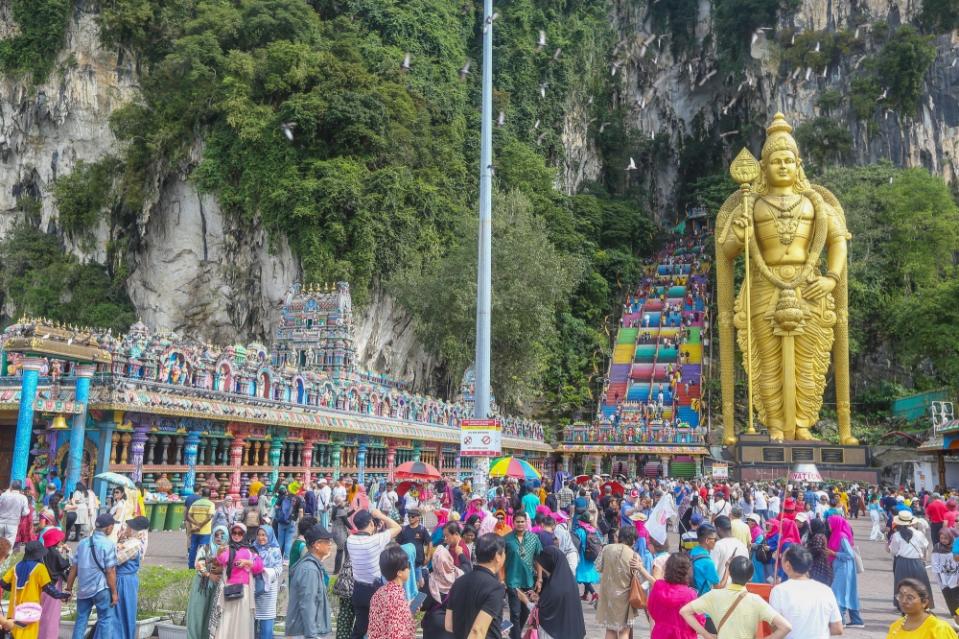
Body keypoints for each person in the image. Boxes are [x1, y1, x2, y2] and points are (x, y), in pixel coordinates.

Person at [682, 556, 792, 639]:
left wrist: (707, 635)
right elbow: (786, 627)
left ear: (729, 572)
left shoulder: (714, 595)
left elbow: (685, 612)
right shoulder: (756, 600)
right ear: (750, 577)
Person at [346, 509, 402, 639]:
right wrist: (381, 515)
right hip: (375, 590)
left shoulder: (350, 540)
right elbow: (397, 527)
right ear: (371, 523)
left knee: (360, 629)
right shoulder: (376, 540)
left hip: (358, 590)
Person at [770, 545, 844, 639]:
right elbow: (838, 628)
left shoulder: (779, 591)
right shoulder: (826, 590)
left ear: (787, 565)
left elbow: (775, 626)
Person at [65, 513, 119, 638]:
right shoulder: (108, 544)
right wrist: (114, 593)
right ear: (108, 528)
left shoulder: (83, 543)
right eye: (112, 527)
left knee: (81, 620)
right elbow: (110, 571)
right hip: (101, 589)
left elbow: (74, 568)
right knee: (105, 620)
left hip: (83, 589)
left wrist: (68, 588)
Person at [445, 533, 507, 639]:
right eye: (504, 552)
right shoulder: (495, 587)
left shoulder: (459, 582)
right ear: (497, 556)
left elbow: (449, 625)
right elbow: (477, 630)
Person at [3, 540, 68, 639]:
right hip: (30, 610)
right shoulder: (40, 568)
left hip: (14, 610)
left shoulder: (16, 566)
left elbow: (3, 583)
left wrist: (15, 588)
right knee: (29, 635)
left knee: (15, 635)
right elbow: (49, 589)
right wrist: (62, 595)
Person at [520, 545, 586, 639]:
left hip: (553, 633)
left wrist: (525, 599)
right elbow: (557, 605)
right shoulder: (569, 581)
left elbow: (540, 612)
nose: (543, 567)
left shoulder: (554, 586)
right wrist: (539, 599)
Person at [211, 523, 263, 639]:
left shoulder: (250, 550)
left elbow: (259, 567)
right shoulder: (227, 548)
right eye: (234, 533)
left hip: (244, 590)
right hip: (229, 588)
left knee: (242, 620)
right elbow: (221, 560)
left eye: (240, 533)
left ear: (244, 534)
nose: (237, 535)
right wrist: (219, 553)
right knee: (227, 620)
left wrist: (247, 563)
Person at [286, 524, 334, 639]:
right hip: (307, 632)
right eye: (327, 541)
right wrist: (311, 635)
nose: (330, 544)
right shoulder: (309, 570)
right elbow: (308, 604)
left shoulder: (311, 565)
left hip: (307, 630)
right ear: (317, 545)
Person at [503, 511, 543, 639]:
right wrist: (502, 579)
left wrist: (540, 579)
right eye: (517, 521)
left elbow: (538, 559)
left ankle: (514, 633)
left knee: (525, 612)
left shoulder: (534, 538)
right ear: (513, 522)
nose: (520, 524)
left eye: (522, 521)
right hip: (512, 581)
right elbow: (501, 560)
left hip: (529, 581)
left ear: (526, 523)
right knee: (515, 613)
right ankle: (515, 636)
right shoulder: (506, 539)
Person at [595, 525, 639, 639]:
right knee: (624, 631)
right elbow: (637, 577)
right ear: (633, 540)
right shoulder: (634, 555)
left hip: (608, 595)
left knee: (610, 629)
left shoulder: (607, 548)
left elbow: (598, 567)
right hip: (625, 597)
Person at [367, 543, 416, 639]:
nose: (410, 568)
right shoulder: (397, 597)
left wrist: (407, 608)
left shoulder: (380, 592)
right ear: (399, 573)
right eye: (408, 565)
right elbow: (396, 633)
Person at [186, 525, 227, 639]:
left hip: (217, 588)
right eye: (216, 535)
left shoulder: (228, 551)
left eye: (222, 535)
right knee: (197, 614)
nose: (219, 538)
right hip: (202, 585)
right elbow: (198, 564)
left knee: (210, 616)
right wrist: (209, 575)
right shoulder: (205, 548)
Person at [648, 553, 701, 639]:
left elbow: (652, 609)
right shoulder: (690, 594)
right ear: (687, 572)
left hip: (660, 633)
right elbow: (699, 621)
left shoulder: (658, 587)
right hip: (683, 635)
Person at [890, 511, 933, 611]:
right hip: (917, 562)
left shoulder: (896, 535)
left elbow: (894, 551)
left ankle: (901, 605)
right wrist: (925, 559)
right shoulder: (919, 534)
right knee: (920, 584)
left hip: (902, 562)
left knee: (902, 585)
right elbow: (925, 547)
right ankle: (923, 604)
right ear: (911, 522)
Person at [887, 577, 956, 639]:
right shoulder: (895, 626)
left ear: (924, 602)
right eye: (901, 596)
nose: (903, 601)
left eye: (910, 598)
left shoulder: (939, 628)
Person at [115, 516, 149, 639]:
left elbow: (115, 560)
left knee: (122, 611)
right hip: (125, 579)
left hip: (124, 581)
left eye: (129, 526)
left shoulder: (133, 544)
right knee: (121, 611)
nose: (127, 528)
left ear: (135, 529)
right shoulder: (129, 541)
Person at [422, 539, 463, 639]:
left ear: (435, 561)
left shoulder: (431, 582)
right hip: (455, 623)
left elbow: (424, 605)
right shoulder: (460, 576)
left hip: (434, 627)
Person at [827, 514, 863, 628]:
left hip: (844, 568)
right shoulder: (836, 534)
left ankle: (841, 620)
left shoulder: (841, 536)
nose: (828, 525)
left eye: (829, 523)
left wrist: (833, 553)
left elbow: (850, 554)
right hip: (840, 566)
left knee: (838, 593)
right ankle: (856, 620)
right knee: (848, 592)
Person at [37, 528, 71, 639]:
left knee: (41, 612)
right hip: (54, 585)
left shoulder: (42, 552)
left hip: (42, 585)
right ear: (55, 541)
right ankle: (49, 636)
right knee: (51, 615)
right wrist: (68, 552)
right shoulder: (55, 553)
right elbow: (65, 564)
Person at [252, 526, 282, 639]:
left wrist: (264, 571)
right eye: (259, 535)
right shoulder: (253, 548)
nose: (261, 538)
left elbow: (279, 569)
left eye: (264, 535)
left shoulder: (275, 549)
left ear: (270, 535)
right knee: (251, 624)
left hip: (268, 591)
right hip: (254, 590)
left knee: (267, 626)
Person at [397, 509, 431, 586]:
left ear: (418, 518)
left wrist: (428, 557)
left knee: (418, 583)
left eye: (412, 516)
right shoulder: (404, 529)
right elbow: (398, 544)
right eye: (408, 516)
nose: (410, 518)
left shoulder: (422, 529)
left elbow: (429, 542)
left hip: (417, 562)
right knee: (406, 583)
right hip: (405, 563)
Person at [710, 516, 748, 583]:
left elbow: (712, 571)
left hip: (722, 589)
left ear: (718, 529)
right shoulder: (742, 545)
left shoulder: (717, 545)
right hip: (739, 590)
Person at [573, 512, 601, 602]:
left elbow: (576, 543)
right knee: (587, 576)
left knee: (583, 576)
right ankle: (585, 595)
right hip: (590, 555)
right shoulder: (593, 530)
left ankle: (594, 593)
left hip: (582, 556)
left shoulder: (580, 531)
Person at [932, 528, 959, 621]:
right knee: (949, 598)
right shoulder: (938, 547)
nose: (943, 540)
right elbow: (935, 563)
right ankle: (955, 617)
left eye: (945, 538)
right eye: (941, 537)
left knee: (957, 599)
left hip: (956, 577)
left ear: (951, 538)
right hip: (943, 578)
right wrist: (939, 578)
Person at [187, 488, 216, 569]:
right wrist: (201, 525)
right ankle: (202, 567)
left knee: (193, 549)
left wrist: (196, 524)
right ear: (209, 495)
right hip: (205, 531)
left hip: (195, 530)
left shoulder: (195, 503)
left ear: (201, 494)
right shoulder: (211, 504)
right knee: (204, 550)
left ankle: (191, 566)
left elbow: (189, 515)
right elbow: (210, 517)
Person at [690, 524, 722, 596]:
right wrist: (727, 570)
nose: (716, 542)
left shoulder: (693, 551)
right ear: (707, 540)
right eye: (715, 539)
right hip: (702, 597)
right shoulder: (708, 562)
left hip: (692, 593)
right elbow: (718, 587)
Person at [0, 481, 30, 548]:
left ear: (11, 487)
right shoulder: (23, 498)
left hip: (1, 521)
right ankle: (6, 557)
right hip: (13, 523)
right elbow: (25, 512)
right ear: (20, 488)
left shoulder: (4, 495)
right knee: (9, 544)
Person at [806, 518, 833, 585]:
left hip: (818, 563)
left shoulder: (818, 536)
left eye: (811, 525)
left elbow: (817, 549)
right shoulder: (821, 535)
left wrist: (805, 552)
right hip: (820, 562)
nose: (810, 527)